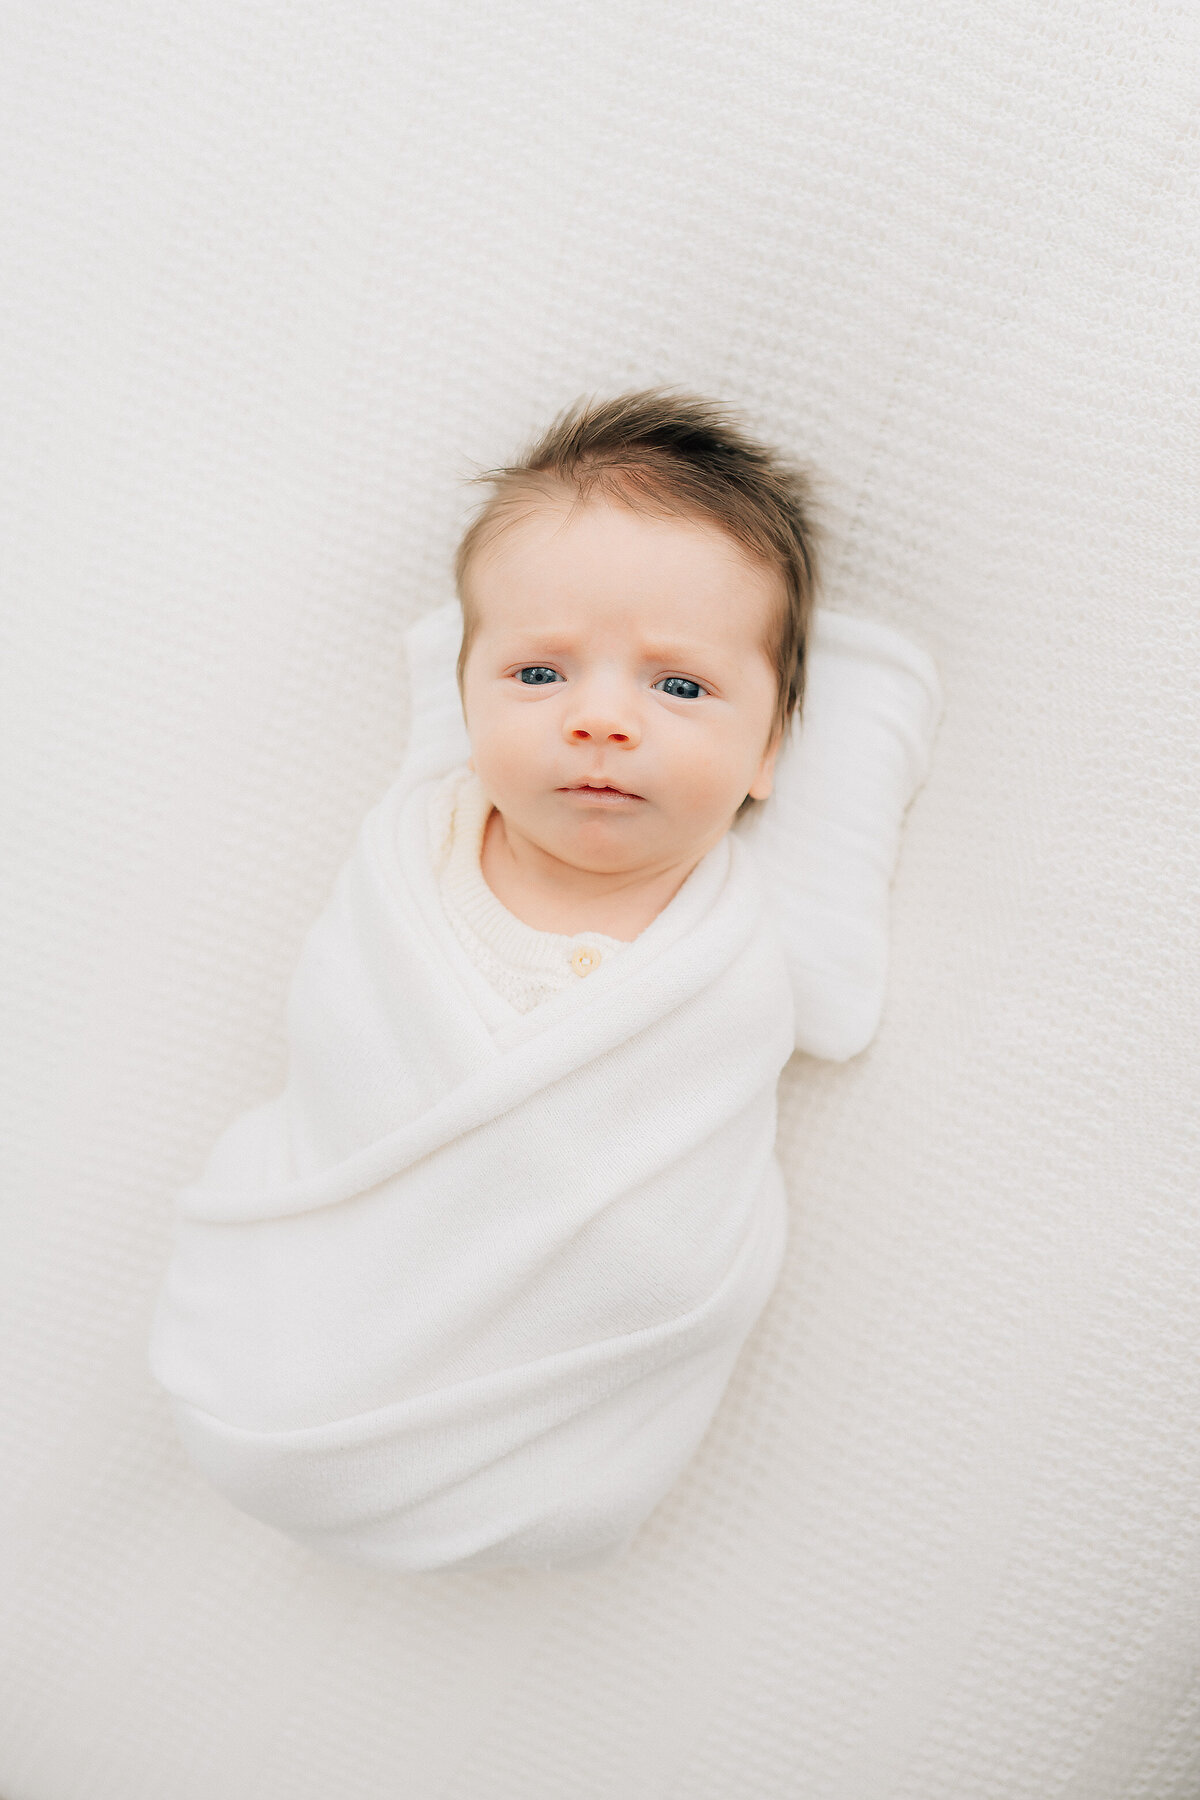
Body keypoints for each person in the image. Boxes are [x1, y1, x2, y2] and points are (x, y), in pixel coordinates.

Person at [149, 392, 829, 1573]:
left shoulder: (748, 944)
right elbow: (346, 1053)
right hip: (329, 1308)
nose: (602, 720)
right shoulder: (412, 854)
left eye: (680, 688)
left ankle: (499, 1465)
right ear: (464, 704)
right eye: (538, 673)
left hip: (568, 1382)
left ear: (771, 751)